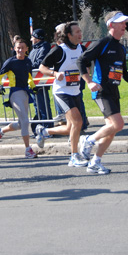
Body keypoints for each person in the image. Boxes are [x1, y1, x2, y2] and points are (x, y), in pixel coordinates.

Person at [77, 11, 128, 174]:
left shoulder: (120, 48)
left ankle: (95, 162)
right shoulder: (103, 43)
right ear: (111, 25)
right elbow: (81, 60)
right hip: (101, 92)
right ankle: (88, 140)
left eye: (125, 23)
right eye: (121, 23)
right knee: (118, 124)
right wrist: (89, 82)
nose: (125, 26)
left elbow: (124, 72)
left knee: (112, 128)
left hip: (114, 91)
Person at [37, 21, 88, 167]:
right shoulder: (59, 50)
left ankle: (45, 132)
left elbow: (86, 65)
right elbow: (42, 67)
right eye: (77, 32)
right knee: (78, 122)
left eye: (80, 31)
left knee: (70, 127)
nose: (80, 34)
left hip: (75, 91)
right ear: (68, 35)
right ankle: (74, 156)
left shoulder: (82, 49)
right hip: (62, 92)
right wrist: (54, 73)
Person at [0, 38, 39, 159]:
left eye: (22, 48)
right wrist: (0, 85)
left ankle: (0, 131)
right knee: (25, 121)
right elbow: (0, 76)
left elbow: (29, 77)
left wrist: (33, 87)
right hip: (15, 93)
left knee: (21, 123)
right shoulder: (10, 62)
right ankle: (28, 149)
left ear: (26, 49)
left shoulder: (28, 61)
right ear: (14, 48)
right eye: (18, 48)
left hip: (25, 93)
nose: (20, 50)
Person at [28, 28, 53, 132]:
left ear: (37, 39)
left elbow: (39, 63)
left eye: (33, 37)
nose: (31, 39)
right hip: (34, 81)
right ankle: (41, 126)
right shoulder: (35, 49)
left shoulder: (44, 47)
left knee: (43, 105)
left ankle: (47, 127)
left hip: (41, 81)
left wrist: (26, 65)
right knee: (37, 105)